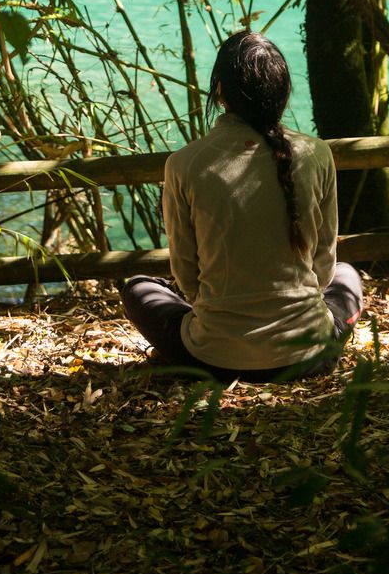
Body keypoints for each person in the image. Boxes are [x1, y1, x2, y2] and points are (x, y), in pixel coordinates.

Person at [122, 30, 364, 382]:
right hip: (309, 355)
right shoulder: (316, 154)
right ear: (282, 91)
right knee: (347, 276)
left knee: (138, 288)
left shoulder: (184, 164)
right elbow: (324, 269)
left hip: (213, 359)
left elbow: (187, 276)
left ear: (219, 90)